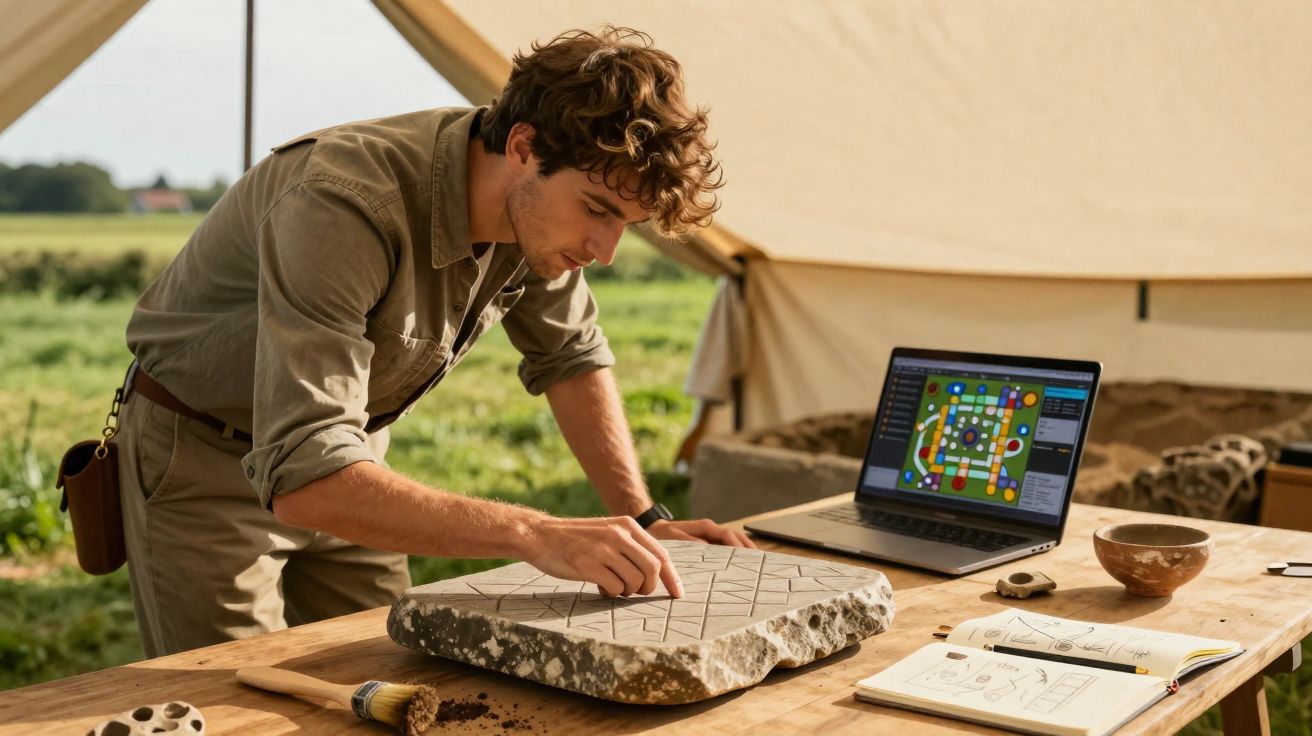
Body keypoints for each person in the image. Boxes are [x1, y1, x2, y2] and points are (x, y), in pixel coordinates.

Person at [115, 26, 754, 658]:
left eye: (628, 225)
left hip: (352, 460)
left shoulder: (537, 217)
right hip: (202, 459)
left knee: (382, 675)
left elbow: (571, 358)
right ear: (524, 146)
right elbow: (305, 474)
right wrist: (537, 533)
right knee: (229, 699)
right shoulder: (342, 202)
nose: (604, 252)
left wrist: (643, 519)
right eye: (598, 210)